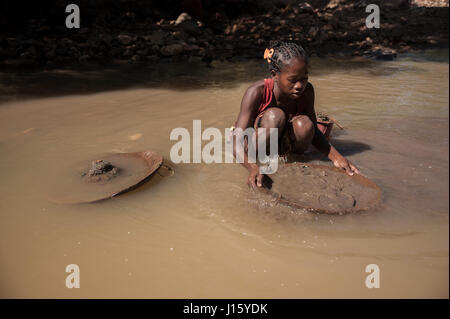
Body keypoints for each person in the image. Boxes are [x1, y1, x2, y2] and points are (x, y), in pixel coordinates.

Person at [231, 41, 360, 188]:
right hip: (259, 144)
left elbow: (315, 133)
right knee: (275, 116)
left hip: (285, 142)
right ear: (275, 76)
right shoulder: (256, 92)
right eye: (293, 80)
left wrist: (337, 158)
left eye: (304, 79)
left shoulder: (307, 91)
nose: (299, 86)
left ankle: (293, 161)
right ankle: (261, 160)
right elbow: (237, 142)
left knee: (305, 124)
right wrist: (253, 167)